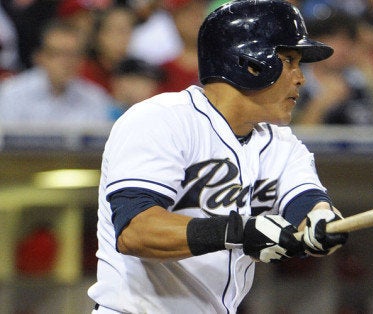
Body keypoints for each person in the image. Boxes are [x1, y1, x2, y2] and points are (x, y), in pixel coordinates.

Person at [87, 1, 349, 313]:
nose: (300, 78)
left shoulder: (280, 142)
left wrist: (320, 224)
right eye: (289, 61)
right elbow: (135, 231)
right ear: (250, 62)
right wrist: (239, 232)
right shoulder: (161, 119)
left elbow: (306, 203)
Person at [0, 20, 113, 125]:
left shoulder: (95, 99)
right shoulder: (12, 94)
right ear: (41, 57)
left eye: (73, 54)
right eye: (58, 54)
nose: (67, 62)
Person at [294, 11, 373, 125]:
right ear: (313, 42)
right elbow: (289, 137)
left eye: (347, 40)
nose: (341, 48)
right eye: (332, 38)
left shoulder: (361, 83)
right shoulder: (294, 81)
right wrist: (321, 104)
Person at [79, 5, 137, 93]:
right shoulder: (82, 72)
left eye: (129, 30)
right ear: (100, 35)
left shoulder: (137, 72)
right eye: (119, 30)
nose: (125, 38)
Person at [156, 0, 207, 93]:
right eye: (189, 13)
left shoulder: (223, 67)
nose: (196, 19)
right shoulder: (162, 71)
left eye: (200, 12)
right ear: (174, 19)